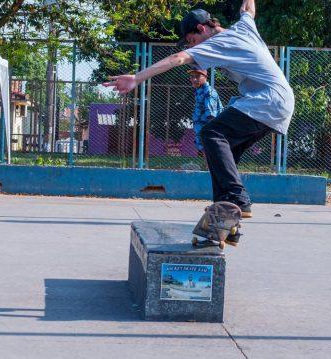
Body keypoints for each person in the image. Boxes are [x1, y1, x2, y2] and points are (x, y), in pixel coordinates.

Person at [104, 0, 294, 245]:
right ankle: (226, 224)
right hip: (278, 102)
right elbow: (248, 9)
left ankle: (238, 199)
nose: (193, 48)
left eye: (192, 41)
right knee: (225, 156)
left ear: (202, 29)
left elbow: (177, 58)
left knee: (212, 134)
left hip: (266, 101)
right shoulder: (243, 27)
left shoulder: (216, 42)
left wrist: (137, 78)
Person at [188, 68, 223, 156]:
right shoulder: (198, 91)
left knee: (211, 157)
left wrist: (210, 137)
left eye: (197, 76)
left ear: (205, 77)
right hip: (202, 133)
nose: (194, 79)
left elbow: (211, 116)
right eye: (192, 76)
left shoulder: (208, 92)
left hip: (208, 134)